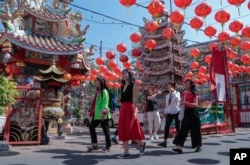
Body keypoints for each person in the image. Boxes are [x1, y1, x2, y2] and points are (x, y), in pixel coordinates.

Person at [118, 69, 146, 159]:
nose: (124, 75)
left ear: (129, 75)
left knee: (131, 130)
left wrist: (134, 111)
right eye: (123, 74)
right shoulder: (122, 86)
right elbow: (123, 98)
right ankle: (126, 152)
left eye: (125, 73)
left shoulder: (133, 86)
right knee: (123, 130)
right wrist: (120, 100)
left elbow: (134, 99)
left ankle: (142, 144)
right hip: (123, 108)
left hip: (130, 108)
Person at [172, 79, 202, 154]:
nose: (186, 85)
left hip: (193, 113)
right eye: (186, 83)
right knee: (183, 130)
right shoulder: (184, 93)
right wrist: (180, 103)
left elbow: (196, 104)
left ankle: (198, 146)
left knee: (195, 131)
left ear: (191, 85)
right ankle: (180, 148)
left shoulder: (194, 93)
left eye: (188, 83)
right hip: (186, 113)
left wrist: (186, 103)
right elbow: (181, 102)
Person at [87, 76, 112, 152]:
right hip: (96, 113)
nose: (95, 82)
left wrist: (103, 114)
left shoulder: (104, 91)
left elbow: (105, 103)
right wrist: (90, 99)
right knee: (91, 127)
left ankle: (108, 147)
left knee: (105, 130)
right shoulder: (98, 91)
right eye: (95, 81)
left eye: (96, 81)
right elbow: (97, 102)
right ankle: (95, 145)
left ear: (101, 82)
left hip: (103, 114)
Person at [158, 82, 181, 147]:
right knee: (167, 126)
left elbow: (178, 100)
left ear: (173, 87)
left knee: (177, 127)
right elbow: (167, 105)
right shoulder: (167, 96)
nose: (168, 87)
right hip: (170, 112)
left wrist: (173, 92)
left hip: (177, 111)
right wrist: (165, 112)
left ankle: (179, 141)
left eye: (169, 86)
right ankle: (165, 142)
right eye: (167, 86)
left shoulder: (177, 93)